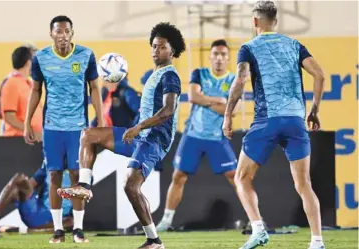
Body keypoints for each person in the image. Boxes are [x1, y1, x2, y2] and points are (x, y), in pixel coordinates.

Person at [58, 22, 186, 249]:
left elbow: (168, 111)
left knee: (130, 186)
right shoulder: (155, 74)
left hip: (154, 139)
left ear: (172, 51)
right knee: (88, 135)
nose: (156, 51)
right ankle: (84, 186)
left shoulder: (170, 76)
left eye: (162, 47)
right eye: (154, 46)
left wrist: (138, 127)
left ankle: (154, 240)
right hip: (141, 136)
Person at [222, 1, 325, 249]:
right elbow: (320, 75)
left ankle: (258, 229)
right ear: (275, 22)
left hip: (267, 121)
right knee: (303, 185)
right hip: (295, 122)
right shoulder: (294, 45)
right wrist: (313, 111)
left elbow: (241, 80)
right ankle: (317, 241)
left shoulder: (249, 48)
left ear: (255, 21)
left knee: (242, 178)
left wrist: (228, 114)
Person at [24, 15, 105, 243]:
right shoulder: (41, 58)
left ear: (72, 33)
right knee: (53, 176)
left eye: (66, 31)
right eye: (58, 31)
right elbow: (37, 91)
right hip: (52, 127)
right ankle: (58, 230)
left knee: (77, 177)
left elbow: (94, 88)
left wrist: (100, 118)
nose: (63, 35)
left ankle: (78, 229)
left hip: (78, 127)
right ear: (51, 34)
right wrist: (27, 121)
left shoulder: (86, 55)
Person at [156, 39, 240, 232]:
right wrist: (219, 100)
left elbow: (233, 110)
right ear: (210, 57)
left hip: (217, 137)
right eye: (216, 54)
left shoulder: (233, 80)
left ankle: (256, 221)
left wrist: (206, 100)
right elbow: (193, 97)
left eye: (223, 55)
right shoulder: (199, 74)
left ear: (228, 58)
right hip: (193, 134)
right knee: (178, 176)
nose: (219, 58)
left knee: (236, 177)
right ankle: (166, 221)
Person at [0, 164, 73, 233]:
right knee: (19, 179)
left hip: (51, 220)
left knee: (70, 222)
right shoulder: (48, 164)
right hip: (37, 210)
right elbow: (27, 185)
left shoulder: (78, 172)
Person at [0, 46, 43, 139]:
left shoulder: (29, 84)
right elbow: (9, 117)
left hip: (33, 140)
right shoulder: (11, 83)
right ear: (28, 62)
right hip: (18, 140)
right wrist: (30, 131)